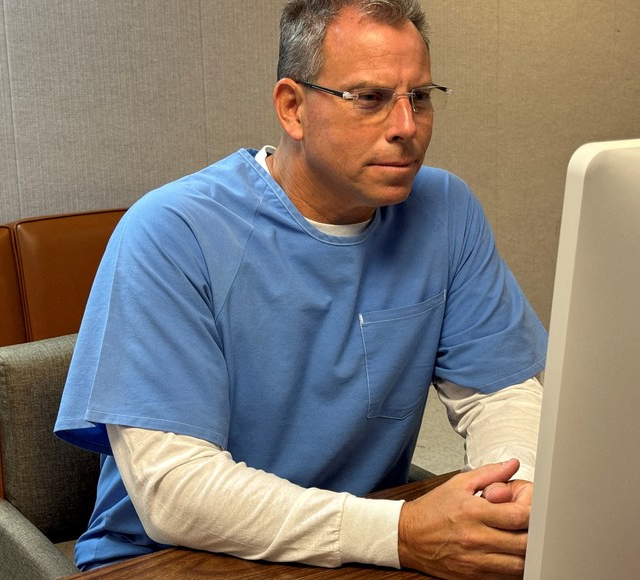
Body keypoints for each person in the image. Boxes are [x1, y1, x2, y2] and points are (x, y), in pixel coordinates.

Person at [55, 0, 547, 578]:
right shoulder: (172, 231)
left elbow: (500, 390)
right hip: (167, 558)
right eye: (370, 99)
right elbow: (174, 489)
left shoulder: (445, 210)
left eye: (420, 96)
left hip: (359, 543)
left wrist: (512, 491)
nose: (406, 127)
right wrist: (400, 534)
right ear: (292, 108)